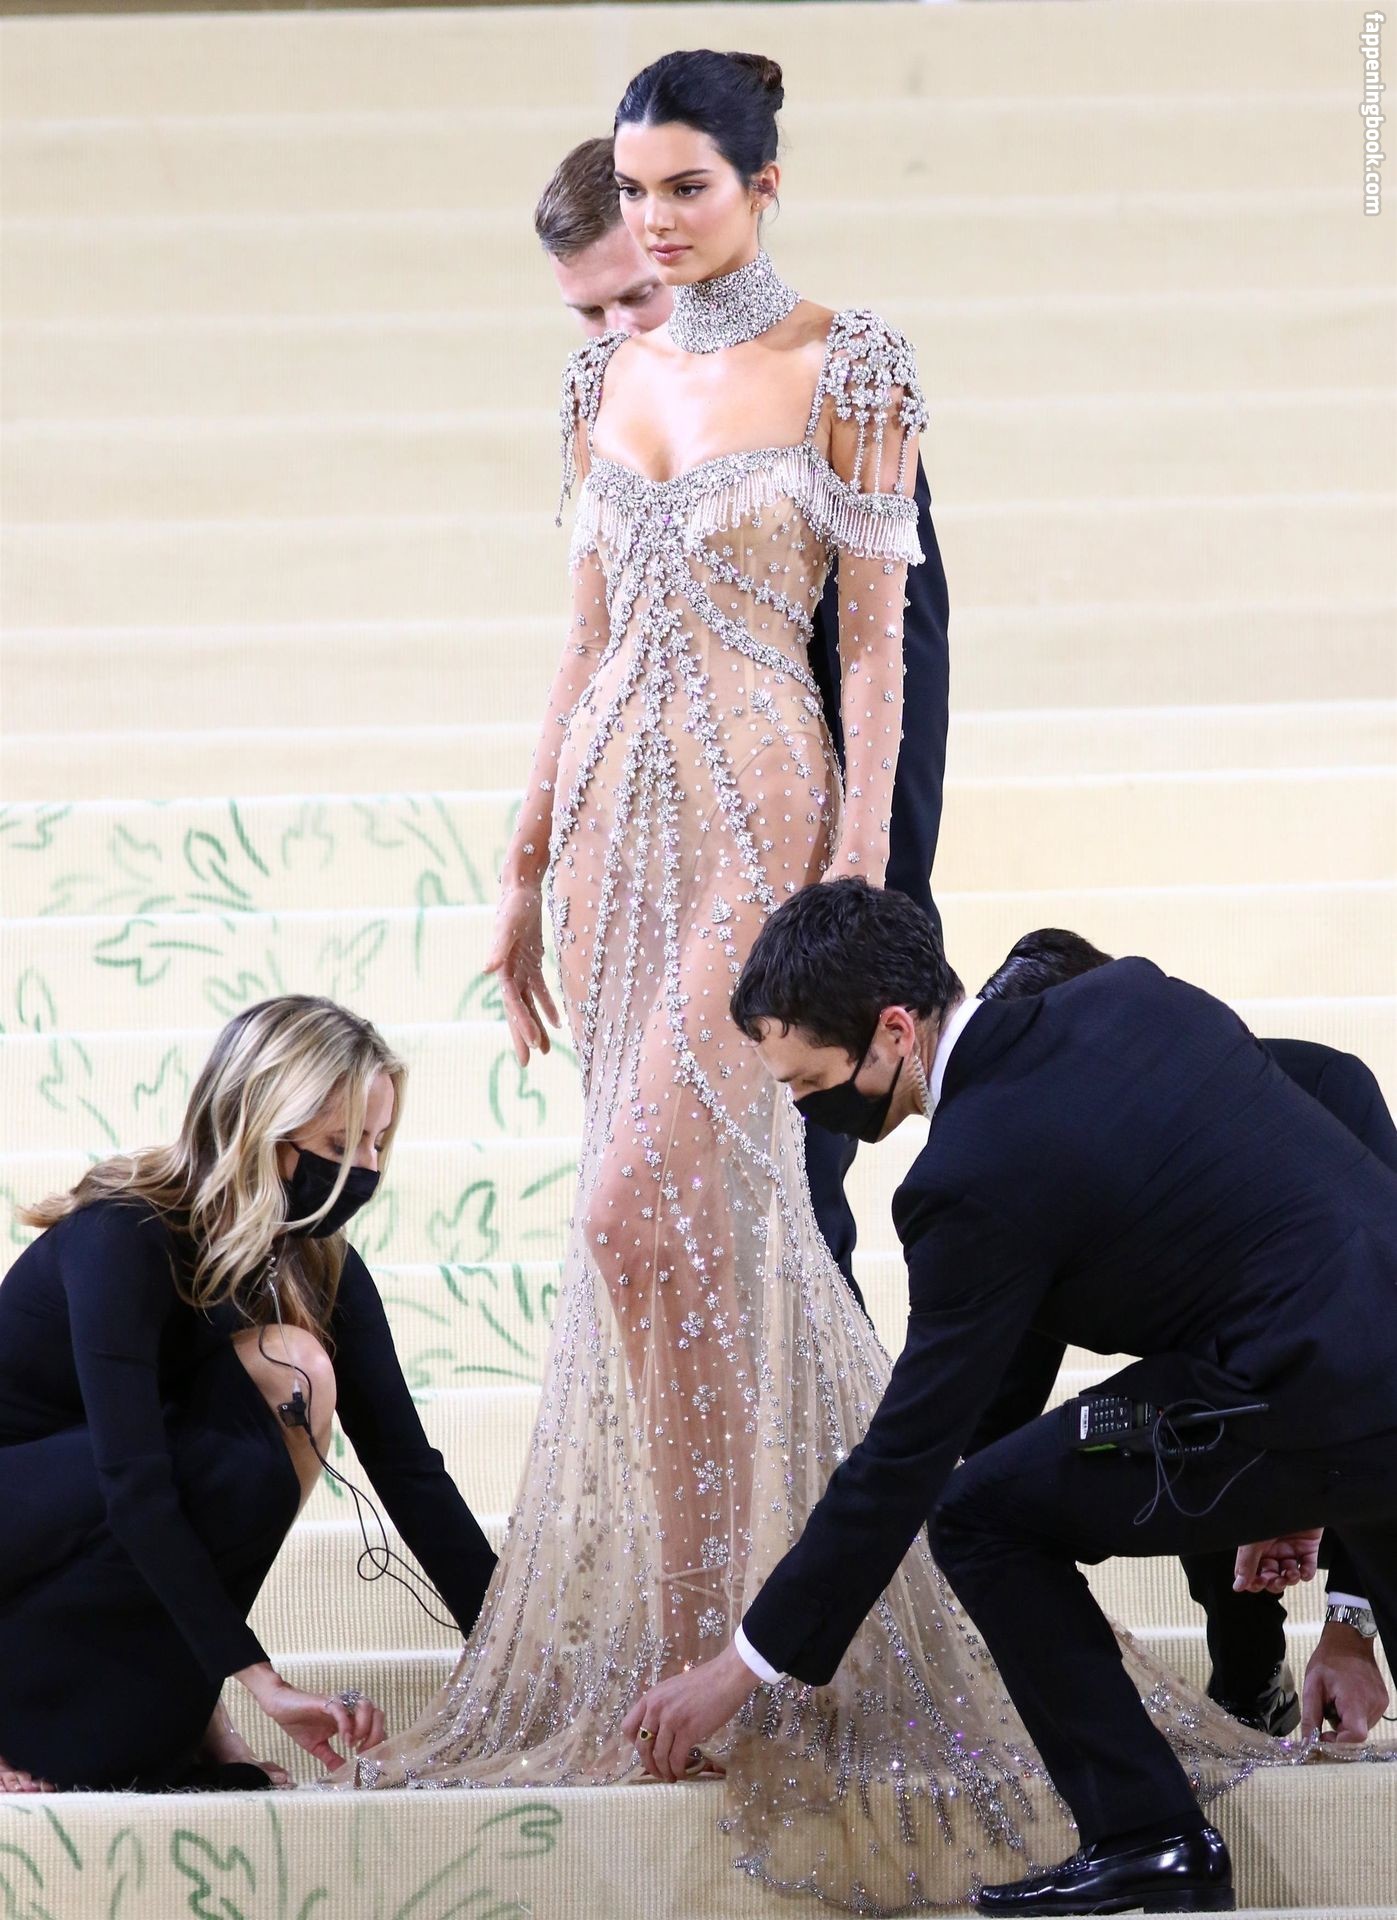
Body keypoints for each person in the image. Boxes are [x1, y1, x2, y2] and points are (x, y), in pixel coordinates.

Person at [343, 52, 1280, 1912]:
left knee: (655, 1210)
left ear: (763, 183)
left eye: (688, 186)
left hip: (762, 820)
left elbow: (875, 654)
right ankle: (710, 1614)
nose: (657, 220)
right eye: (636, 188)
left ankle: (768, 1630)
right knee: (655, 1244)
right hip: (613, 833)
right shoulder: (598, 377)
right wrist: (520, 866)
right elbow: (579, 640)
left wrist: (850, 895)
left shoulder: (854, 366)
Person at [624, 879, 1397, 1914]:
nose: (807, 1111)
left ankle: (1148, 1835)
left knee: (977, 1515)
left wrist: (738, 1666)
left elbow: (907, 1456)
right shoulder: (1132, 995)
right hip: (1328, 1379)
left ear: (893, 1030)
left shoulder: (968, 1174)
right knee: (1038, 1466)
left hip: (1285, 1395)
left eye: (810, 1082)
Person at [533, 129, 953, 1304]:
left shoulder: (824, 401)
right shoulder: (618, 408)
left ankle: (838, 1434)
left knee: (783, 1229)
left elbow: (896, 667)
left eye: (635, 296)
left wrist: (864, 912)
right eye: (587, 311)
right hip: (640, 883)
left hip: (786, 887)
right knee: (653, 1221)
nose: (616, 330)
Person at [0, 996, 495, 1795]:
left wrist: (516, 1659)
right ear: (259, 1127)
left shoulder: (319, 1265)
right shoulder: (123, 1232)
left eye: (377, 1142)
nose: (364, 1168)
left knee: (292, 1380)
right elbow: (133, 1481)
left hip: (101, 1530)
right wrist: (256, 1681)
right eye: (339, 1144)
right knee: (253, 1395)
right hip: (25, 1511)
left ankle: (152, 1719)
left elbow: (409, 1472)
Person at [970, 928, 1395, 1746]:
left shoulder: (1323, 1089)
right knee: (1157, 1418)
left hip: (1360, 1395)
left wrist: (1349, 1624)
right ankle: (1247, 1675)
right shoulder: (1039, 1165)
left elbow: (1380, 1350)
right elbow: (996, 1406)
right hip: (1207, 1398)